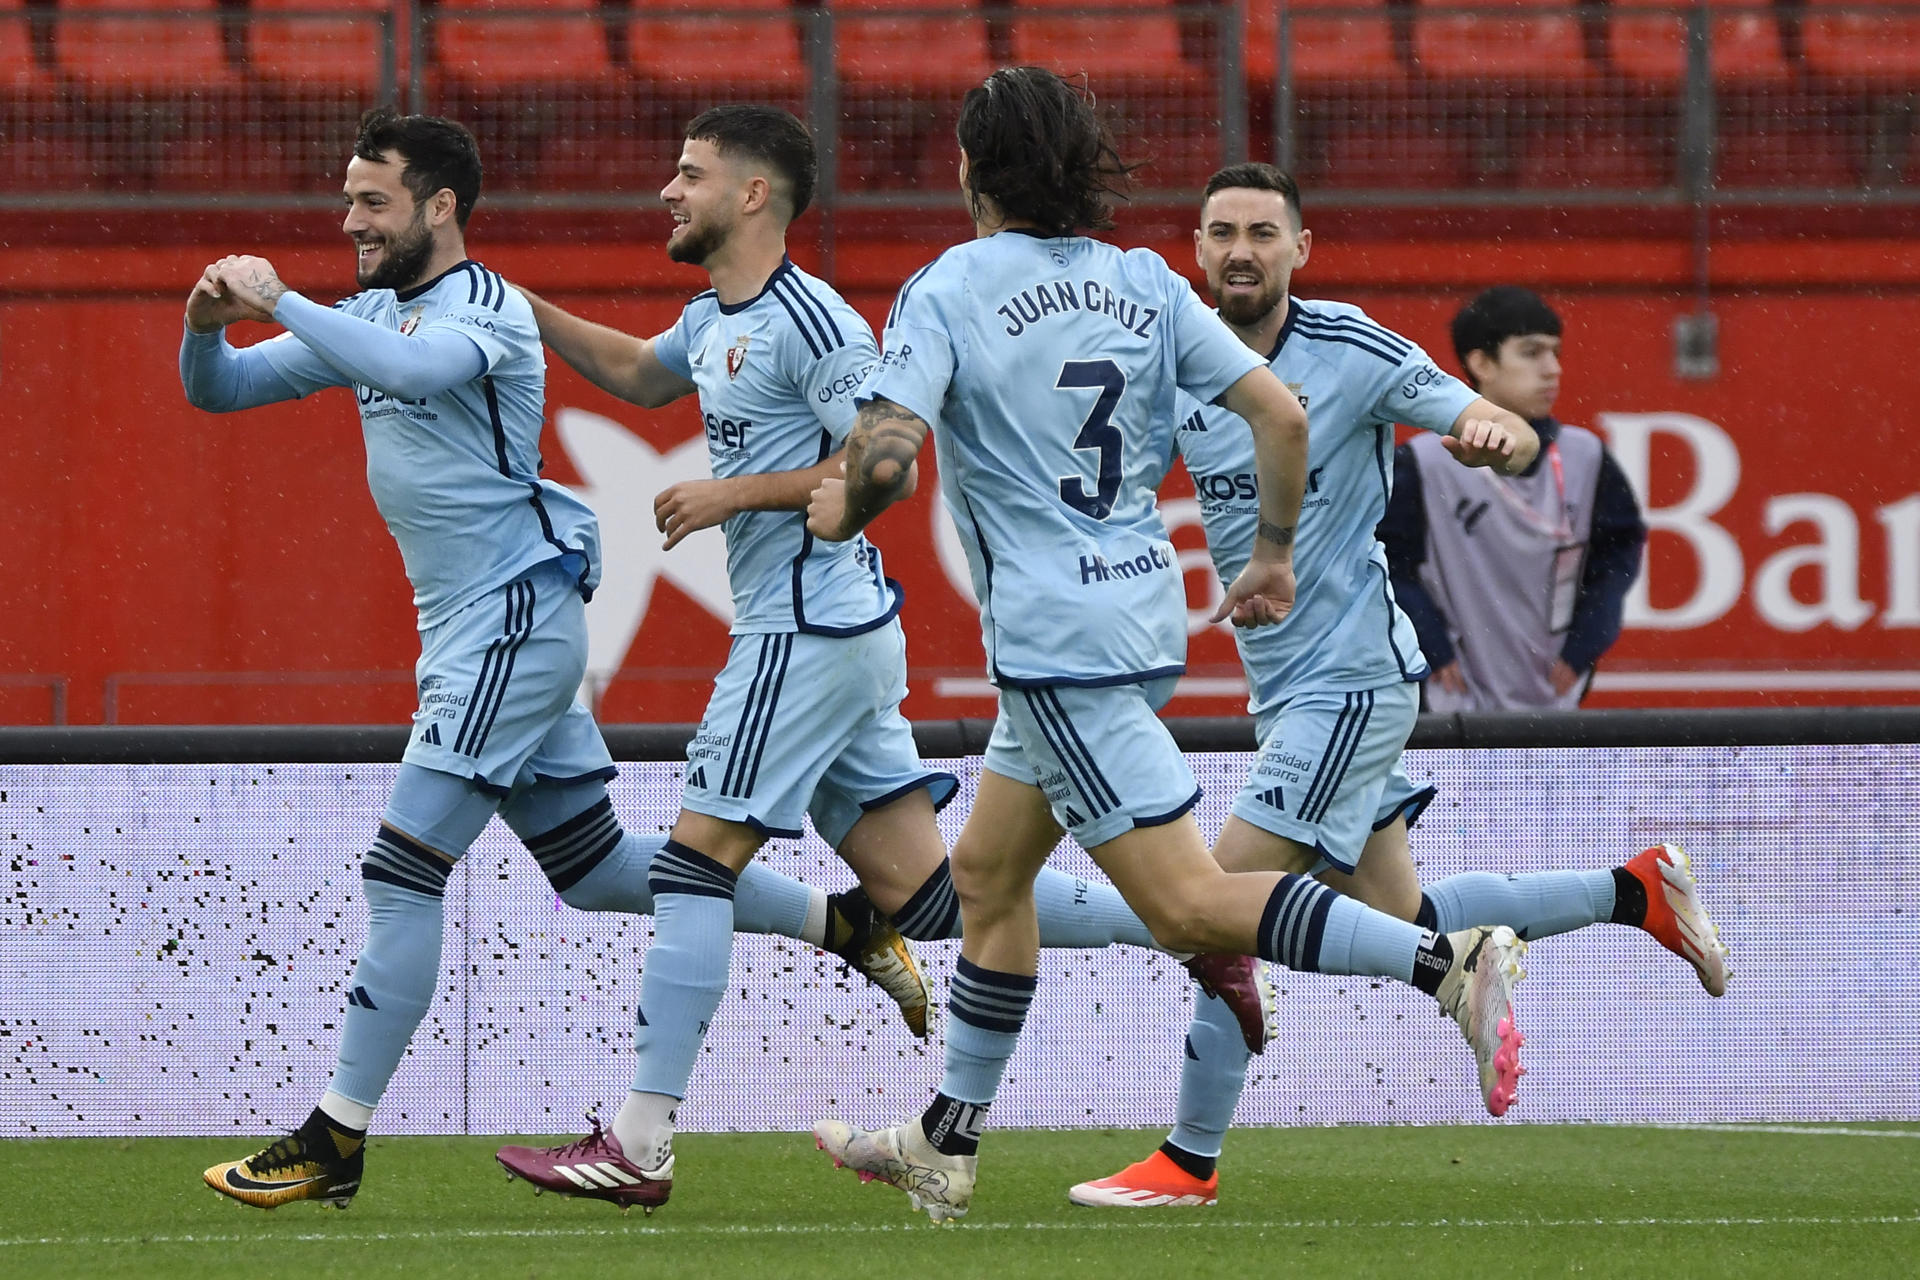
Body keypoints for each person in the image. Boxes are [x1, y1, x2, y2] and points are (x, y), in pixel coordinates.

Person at [488, 105, 1272, 1214]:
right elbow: (635, 371)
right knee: (937, 894)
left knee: (694, 863)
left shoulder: (818, 323)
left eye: (689, 173)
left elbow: (881, 461)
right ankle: (1196, 930)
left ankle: (639, 1141)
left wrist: (733, 493)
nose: (668, 190)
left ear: (753, 193)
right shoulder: (717, 319)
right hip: (843, 632)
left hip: (804, 623)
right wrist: (510, 302)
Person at [809, 67, 1537, 1225]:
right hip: (1137, 619)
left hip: (1055, 646)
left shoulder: (946, 287)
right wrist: (1277, 551)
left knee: (1192, 907)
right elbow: (1283, 415)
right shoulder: (1142, 279)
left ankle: (1448, 960)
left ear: (969, 170)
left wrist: (850, 497)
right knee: (990, 879)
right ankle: (946, 1139)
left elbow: (890, 448)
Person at [178, 107, 929, 1211]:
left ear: (440, 207)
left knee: (401, 872)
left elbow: (410, 366)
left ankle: (333, 1137)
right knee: (593, 869)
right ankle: (844, 919)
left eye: (372, 201)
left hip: (514, 624)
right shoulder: (375, 310)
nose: (351, 221)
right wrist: (207, 324)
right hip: (483, 630)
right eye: (347, 200)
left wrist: (282, 299)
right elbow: (224, 389)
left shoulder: (474, 311)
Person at [1066, 165, 1732, 1209]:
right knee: (1397, 909)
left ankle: (1188, 1158)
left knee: (1209, 904)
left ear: (1302, 247)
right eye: (1220, 232)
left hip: (1352, 679)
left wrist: (1498, 436)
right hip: (1285, 689)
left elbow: (1480, 419)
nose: (1240, 249)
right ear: (1196, 250)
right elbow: (1114, 480)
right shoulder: (1176, 361)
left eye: (1262, 232)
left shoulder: (1355, 348)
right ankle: (1635, 887)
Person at [1380, 285, 1649, 711]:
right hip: (1452, 699)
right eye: (1531, 352)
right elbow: (1387, 566)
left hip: (1554, 692)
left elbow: (1617, 560)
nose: (1552, 369)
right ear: (1480, 362)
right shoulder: (1422, 463)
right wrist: (1431, 646)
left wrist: (1583, 644)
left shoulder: (1588, 456)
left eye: (1555, 352)